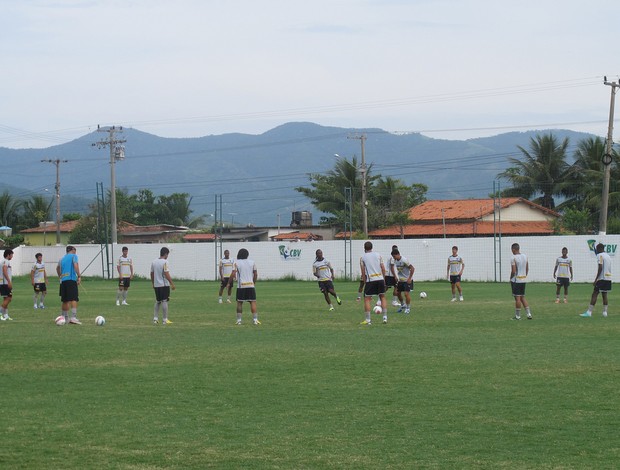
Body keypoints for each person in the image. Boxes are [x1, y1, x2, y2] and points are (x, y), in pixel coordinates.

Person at [580, 243, 612, 318]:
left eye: (597, 249)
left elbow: (600, 267)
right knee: (604, 295)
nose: (596, 251)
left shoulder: (600, 255)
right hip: (608, 278)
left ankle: (589, 312)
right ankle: (605, 312)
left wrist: (596, 279)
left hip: (602, 278)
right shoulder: (608, 256)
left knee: (594, 294)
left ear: (600, 249)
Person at [360, 241, 387, 325]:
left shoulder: (363, 258)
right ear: (372, 247)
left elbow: (363, 272)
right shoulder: (378, 255)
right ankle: (385, 318)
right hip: (380, 279)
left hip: (370, 280)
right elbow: (383, 268)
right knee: (382, 297)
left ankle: (368, 320)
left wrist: (365, 282)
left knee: (367, 299)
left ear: (364, 248)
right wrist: (384, 279)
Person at [231, 248, 260, 325]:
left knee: (239, 303)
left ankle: (239, 320)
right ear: (247, 254)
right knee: (253, 302)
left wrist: (229, 283)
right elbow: (256, 274)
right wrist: (253, 283)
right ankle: (255, 320)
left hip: (241, 286)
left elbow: (233, 273)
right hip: (250, 285)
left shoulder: (236, 263)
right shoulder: (252, 262)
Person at [56, 245, 82, 325]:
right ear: (72, 250)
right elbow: (75, 265)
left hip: (63, 281)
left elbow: (57, 268)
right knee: (74, 298)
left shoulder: (62, 259)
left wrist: (60, 276)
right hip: (71, 280)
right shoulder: (74, 256)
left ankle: (64, 318)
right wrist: (79, 276)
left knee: (65, 300)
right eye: (75, 250)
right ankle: (73, 317)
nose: (75, 251)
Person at [151, 247, 176, 325]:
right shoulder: (165, 262)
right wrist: (172, 283)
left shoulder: (154, 262)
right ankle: (165, 319)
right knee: (164, 301)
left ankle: (155, 319)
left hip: (156, 285)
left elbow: (151, 273)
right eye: (167, 254)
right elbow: (166, 273)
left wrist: (153, 283)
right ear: (165, 254)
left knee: (158, 301)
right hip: (164, 285)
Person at [510, 243, 532, 320]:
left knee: (517, 298)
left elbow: (513, 271)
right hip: (523, 279)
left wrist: (511, 278)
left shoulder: (513, 258)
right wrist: (524, 276)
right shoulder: (525, 256)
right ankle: (529, 314)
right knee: (522, 297)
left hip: (517, 280)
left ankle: (518, 316)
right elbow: (527, 268)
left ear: (513, 249)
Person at [391, 248, 414, 314]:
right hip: (401, 280)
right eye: (393, 257)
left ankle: (408, 308)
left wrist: (409, 278)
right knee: (398, 293)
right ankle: (403, 305)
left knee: (406, 294)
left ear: (398, 254)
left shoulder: (404, 260)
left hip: (407, 280)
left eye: (394, 256)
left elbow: (412, 268)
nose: (394, 258)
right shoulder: (396, 260)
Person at [0, 249, 14, 321]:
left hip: (3, 283)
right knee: (9, 299)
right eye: (11, 255)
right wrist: (9, 281)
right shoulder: (6, 261)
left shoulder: (3, 261)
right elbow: (4, 270)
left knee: (6, 299)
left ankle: (6, 315)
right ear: (8, 255)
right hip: (5, 283)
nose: (12, 256)